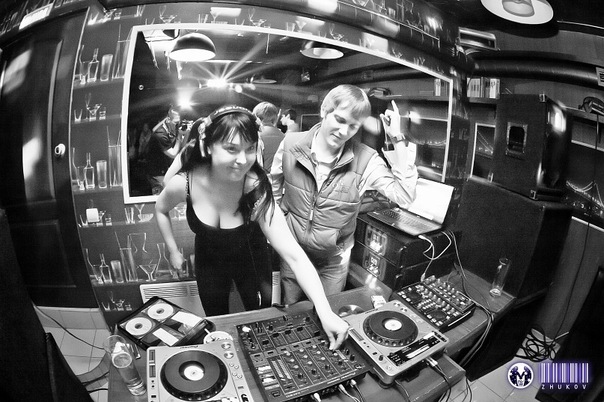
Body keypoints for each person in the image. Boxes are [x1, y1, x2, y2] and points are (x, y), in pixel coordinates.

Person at [155, 105, 350, 350]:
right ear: (208, 146)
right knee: (215, 318)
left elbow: (294, 255)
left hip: (251, 257)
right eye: (231, 149)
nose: (242, 160)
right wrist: (173, 250)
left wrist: (325, 310)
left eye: (249, 149)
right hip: (209, 258)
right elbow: (160, 209)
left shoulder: (255, 188)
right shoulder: (184, 183)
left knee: (260, 316)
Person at [270, 84, 418, 305]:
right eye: (340, 120)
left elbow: (404, 196)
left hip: (333, 262)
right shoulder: (291, 144)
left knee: (328, 312)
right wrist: (279, 231)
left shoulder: (366, 159)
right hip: (293, 253)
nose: (343, 132)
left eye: (353, 126)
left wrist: (397, 138)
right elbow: (273, 188)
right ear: (324, 110)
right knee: (292, 311)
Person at [145, 106, 189, 194]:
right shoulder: (160, 134)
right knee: (165, 197)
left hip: (166, 170)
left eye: (179, 122)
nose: (177, 125)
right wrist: (179, 136)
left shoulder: (172, 130)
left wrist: (187, 133)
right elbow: (173, 154)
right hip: (158, 174)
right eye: (175, 122)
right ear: (168, 120)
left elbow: (181, 149)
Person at [253, 102, 285, 172]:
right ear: (275, 117)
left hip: (261, 175)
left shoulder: (256, 135)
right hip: (279, 176)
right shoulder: (283, 136)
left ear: (257, 117)